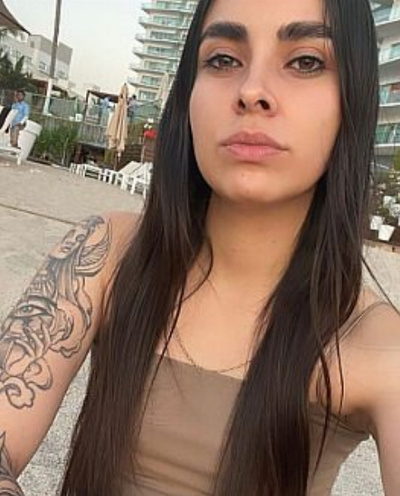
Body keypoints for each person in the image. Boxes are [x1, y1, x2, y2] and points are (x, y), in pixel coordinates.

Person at [0, 0, 400, 495]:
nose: (252, 90)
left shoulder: (377, 344)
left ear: (353, 98)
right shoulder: (104, 253)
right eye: (223, 59)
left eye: (305, 61)